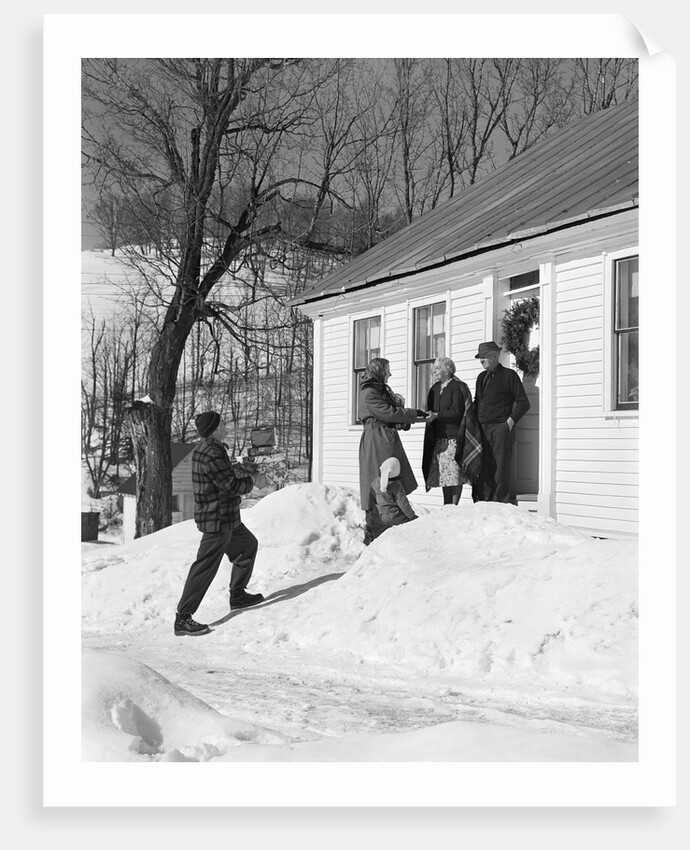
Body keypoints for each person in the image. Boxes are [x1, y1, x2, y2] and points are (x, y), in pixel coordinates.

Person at [174, 411, 265, 637]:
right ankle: (183, 618)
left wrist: (242, 468)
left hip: (227, 517)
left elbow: (223, 476)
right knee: (205, 567)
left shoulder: (211, 450)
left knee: (247, 546)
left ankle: (238, 595)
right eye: (222, 423)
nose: (226, 426)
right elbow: (229, 486)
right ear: (215, 429)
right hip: (217, 520)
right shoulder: (212, 453)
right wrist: (252, 481)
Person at [358, 357, 424, 545]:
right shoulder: (369, 393)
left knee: (393, 481)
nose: (390, 374)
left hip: (384, 438)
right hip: (377, 442)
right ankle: (375, 530)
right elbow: (389, 413)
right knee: (380, 482)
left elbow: (391, 413)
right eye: (387, 370)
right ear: (379, 371)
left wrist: (407, 418)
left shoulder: (378, 391)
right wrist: (414, 414)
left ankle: (394, 522)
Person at [471, 341, 531, 505]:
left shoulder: (509, 376)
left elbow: (523, 403)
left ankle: (501, 506)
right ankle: (485, 505)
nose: (481, 361)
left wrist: (509, 423)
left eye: (484, 357)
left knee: (500, 469)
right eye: (480, 358)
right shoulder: (481, 377)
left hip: (500, 428)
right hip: (482, 429)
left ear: (495, 356)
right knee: (483, 468)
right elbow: (478, 402)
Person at [421, 356, 483, 505]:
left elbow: (457, 412)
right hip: (439, 438)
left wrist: (437, 415)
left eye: (437, 368)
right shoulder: (435, 389)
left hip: (454, 438)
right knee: (444, 475)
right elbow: (430, 409)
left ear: (447, 371)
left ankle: (454, 507)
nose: (434, 371)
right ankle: (446, 506)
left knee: (455, 476)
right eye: (434, 368)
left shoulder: (457, 387)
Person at [365, 457, 418, 543]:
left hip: (378, 518)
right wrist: (412, 517)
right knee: (408, 525)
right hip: (394, 517)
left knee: (378, 536)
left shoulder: (375, 482)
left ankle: (373, 540)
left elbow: (371, 501)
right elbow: (403, 504)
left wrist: (371, 515)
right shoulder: (396, 486)